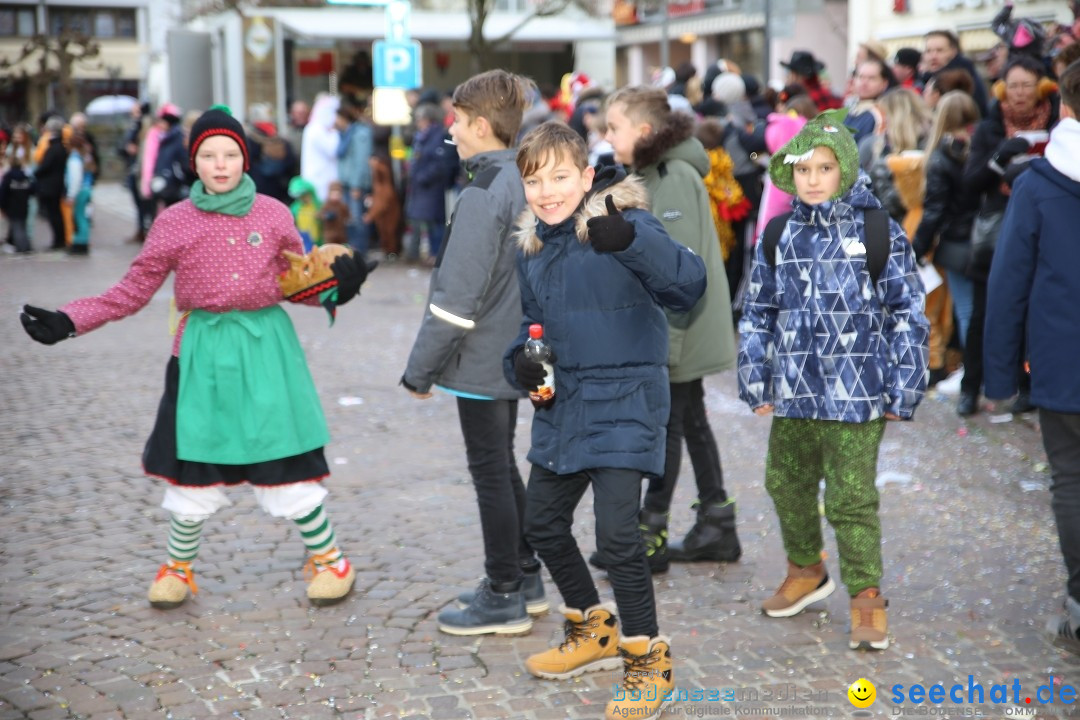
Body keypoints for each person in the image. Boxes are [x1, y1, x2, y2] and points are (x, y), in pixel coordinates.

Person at [19, 105, 372, 609]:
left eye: (230, 153)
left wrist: (336, 289)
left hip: (265, 352)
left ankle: (332, 561)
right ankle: (178, 569)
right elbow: (134, 290)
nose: (221, 163)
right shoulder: (173, 223)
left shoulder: (274, 214)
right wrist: (71, 319)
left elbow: (298, 282)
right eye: (209, 154)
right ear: (195, 161)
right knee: (193, 462)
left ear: (244, 159)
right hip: (200, 352)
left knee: (282, 458)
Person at [508, 120, 705, 720]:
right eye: (534, 181)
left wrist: (632, 241)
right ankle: (591, 628)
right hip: (564, 410)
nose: (547, 192)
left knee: (618, 537)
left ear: (587, 176)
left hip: (625, 405)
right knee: (541, 524)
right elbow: (530, 326)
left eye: (559, 177)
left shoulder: (625, 223)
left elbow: (687, 286)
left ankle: (648, 660)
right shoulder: (534, 249)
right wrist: (523, 360)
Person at [738, 109, 930, 651]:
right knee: (787, 484)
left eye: (825, 168)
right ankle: (806, 569)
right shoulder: (778, 233)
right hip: (796, 391)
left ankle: (866, 595)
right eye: (803, 169)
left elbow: (907, 312)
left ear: (845, 170)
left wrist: (906, 384)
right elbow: (758, 311)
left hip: (859, 396)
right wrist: (756, 375)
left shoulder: (878, 231)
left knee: (851, 499)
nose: (814, 179)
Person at [400, 70, 546, 637]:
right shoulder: (517, 180)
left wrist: (420, 370)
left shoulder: (484, 192)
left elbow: (456, 300)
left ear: (481, 126)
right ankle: (526, 575)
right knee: (504, 466)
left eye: (457, 123)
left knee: (491, 470)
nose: (451, 134)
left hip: (485, 353)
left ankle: (504, 591)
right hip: (512, 348)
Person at [599, 86, 740, 574]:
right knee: (690, 421)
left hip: (679, 329)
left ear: (642, 130)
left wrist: (669, 347)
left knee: (669, 427)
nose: (606, 136)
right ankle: (717, 523)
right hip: (676, 328)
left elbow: (675, 270)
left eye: (613, 127)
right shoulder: (651, 172)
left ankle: (651, 530)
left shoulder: (672, 175)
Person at [984, 57, 1080, 658]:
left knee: (1071, 480)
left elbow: (1009, 280)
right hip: (1060, 355)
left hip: (1062, 359)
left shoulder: (1039, 182)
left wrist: (998, 372)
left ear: (1062, 106)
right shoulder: (1035, 180)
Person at [959, 54, 1059, 417]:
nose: (1019, 93)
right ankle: (971, 386)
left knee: (1034, 309)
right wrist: (1000, 158)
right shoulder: (990, 126)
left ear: (1042, 87)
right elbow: (970, 184)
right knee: (985, 309)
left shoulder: (1059, 122)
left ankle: (1028, 386)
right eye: (1013, 85)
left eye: (1027, 85)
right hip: (997, 227)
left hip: (1043, 224)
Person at [911, 91, 982, 383]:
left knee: (965, 309)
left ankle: (973, 376)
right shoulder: (983, 149)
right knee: (982, 309)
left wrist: (917, 247)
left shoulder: (942, 156)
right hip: (990, 237)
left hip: (957, 242)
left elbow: (934, 210)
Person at [405, 103, 457, 264]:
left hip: (432, 186)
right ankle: (433, 253)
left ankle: (437, 253)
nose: (418, 123)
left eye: (420, 119)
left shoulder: (437, 136)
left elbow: (439, 162)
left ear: (427, 120)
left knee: (436, 222)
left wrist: (422, 177)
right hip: (423, 186)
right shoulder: (422, 136)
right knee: (428, 221)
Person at [0, 153, 34, 253]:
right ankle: (24, 244)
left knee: (16, 227)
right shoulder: (26, 176)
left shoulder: (8, 177)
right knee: (22, 226)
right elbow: (33, 189)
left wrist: (2, 205)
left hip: (12, 206)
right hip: (24, 205)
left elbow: (3, 192)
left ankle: (22, 247)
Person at [319, 180, 350, 245]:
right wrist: (326, 216)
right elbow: (319, 214)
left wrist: (347, 219)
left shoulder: (342, 205)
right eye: (333, 194)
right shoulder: (326, 205)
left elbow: (348, 215)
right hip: (329, 233)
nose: (335, 197)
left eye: (338, 194)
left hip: (340, 233)